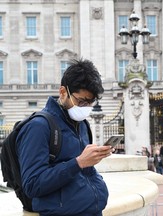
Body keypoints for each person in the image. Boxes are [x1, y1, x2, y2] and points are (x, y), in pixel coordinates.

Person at [17, 59, 112, 215]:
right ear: (63, 92)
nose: (86, 108)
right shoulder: (38, 126)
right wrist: (78, 163)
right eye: (81, 101)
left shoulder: (82, 124)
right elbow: (32, 185)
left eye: (91, 102)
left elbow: (86, 172)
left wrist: (92, 162)